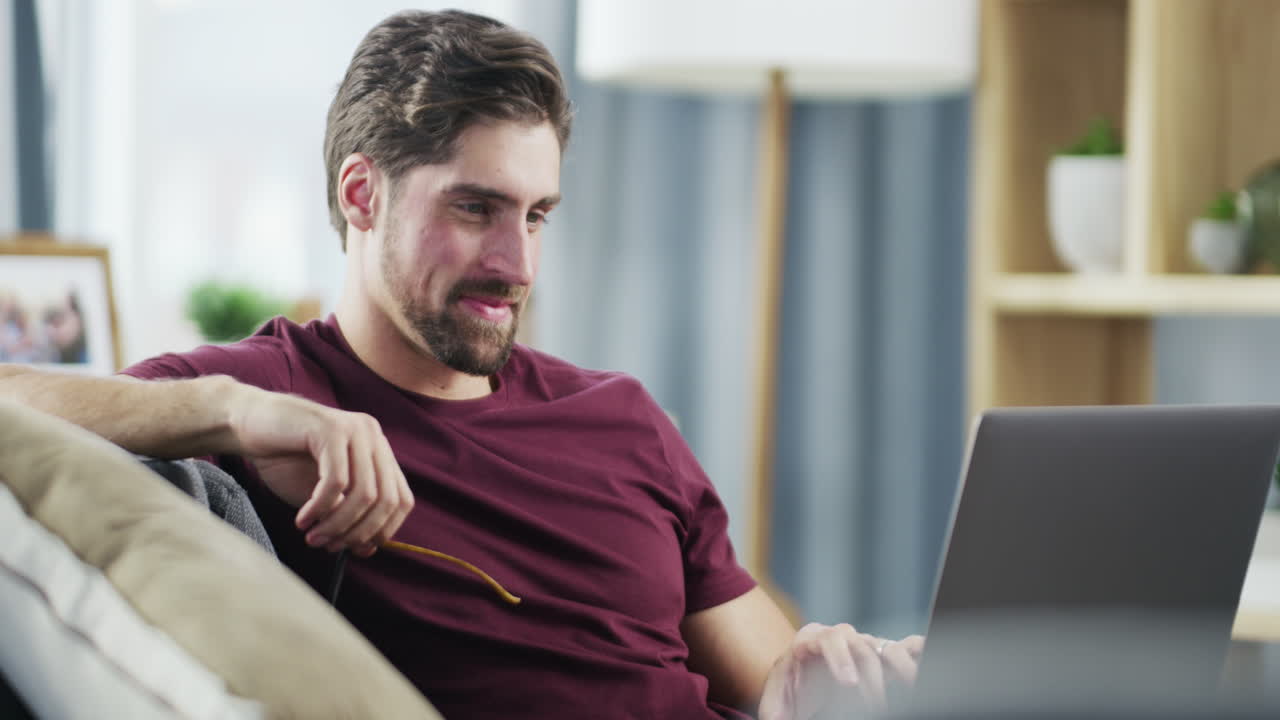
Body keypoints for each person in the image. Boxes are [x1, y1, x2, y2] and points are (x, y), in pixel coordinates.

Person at [0, 10, 921, 719]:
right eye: (477, 208)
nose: (517, 266)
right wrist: (236, 413)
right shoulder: (278, 395)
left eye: (537, 215)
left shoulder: (624, 418)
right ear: (362, 195)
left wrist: (825, 673)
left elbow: (772, 679)